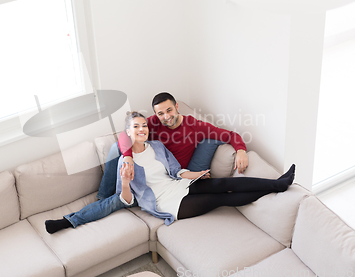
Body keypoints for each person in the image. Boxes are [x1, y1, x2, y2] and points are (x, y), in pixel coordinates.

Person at [45, 92, 250, 234]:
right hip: (154, 174)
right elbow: (125, 136)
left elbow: (227, 134)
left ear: (177, 107)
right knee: (117, 151)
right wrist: (127, 156)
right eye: (160, 113)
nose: (166, 117)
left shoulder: (194, 125)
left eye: (169, 111)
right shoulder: (152, 123)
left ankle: (76, 216)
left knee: (117, 200)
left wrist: (240, 148)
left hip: (176, 174)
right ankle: (91, 204)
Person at [117, 112, 295, 224]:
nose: (142, 129)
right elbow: (126, 200)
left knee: (222, 184)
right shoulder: (124, 162)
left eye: (144, 125)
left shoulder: (156, 146)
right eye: (136, 126)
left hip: (178, 185)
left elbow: (175, 171)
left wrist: (197, 174)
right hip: (166, 203)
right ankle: (275, 187)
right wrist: (125, 183)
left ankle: (277, 184)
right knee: (220, 199)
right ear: (127, 132)